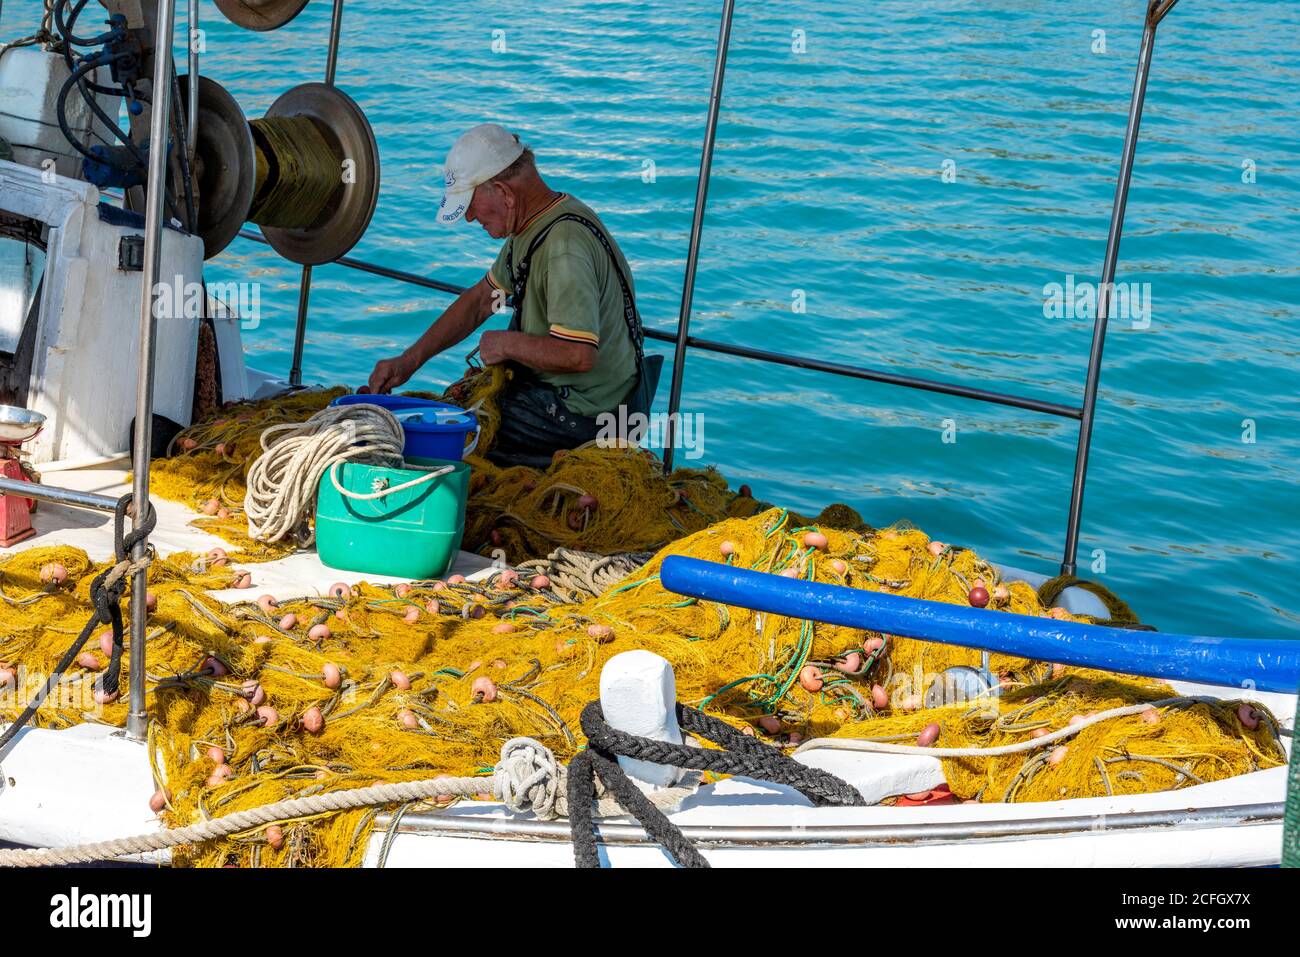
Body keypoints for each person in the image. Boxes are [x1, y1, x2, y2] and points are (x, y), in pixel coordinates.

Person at [367, 123, 660, 468]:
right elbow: (481, 301)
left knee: (455, 441)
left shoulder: (564, 247)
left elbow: (580, 355)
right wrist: (409, 361)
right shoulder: (532, 226)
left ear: (504, 193)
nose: (470, 218)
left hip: (591, 414)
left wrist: (506, 345)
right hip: (564, 395)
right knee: (451, 413)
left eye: (471, 206)